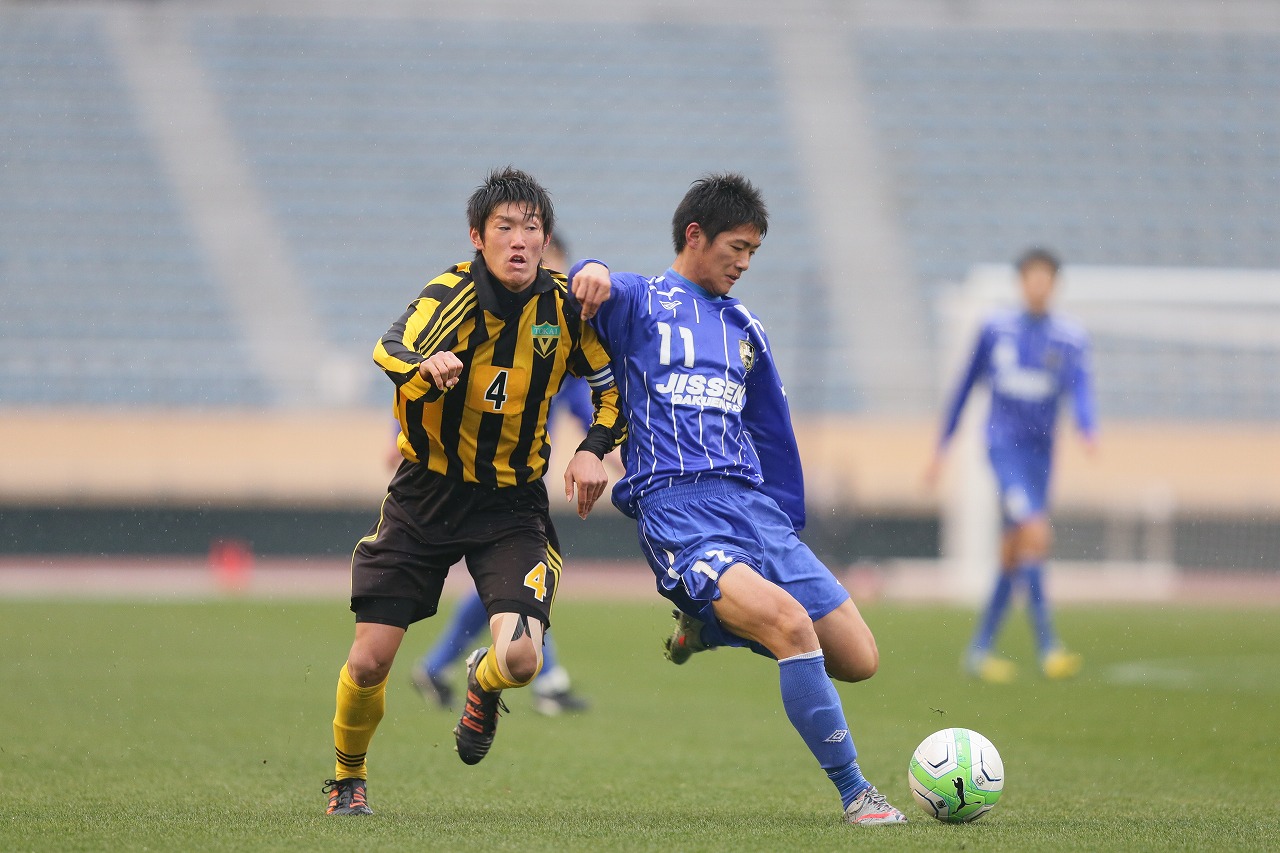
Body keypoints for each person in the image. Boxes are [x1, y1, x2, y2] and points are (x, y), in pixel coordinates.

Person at [567, 174, 908, 827]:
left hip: (753, 511)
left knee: (859, 659)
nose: (745, 262)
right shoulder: (641, 301)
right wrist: (592, 270)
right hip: (679, 509)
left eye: (754, 250)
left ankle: (710, 625)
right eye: (738, 246)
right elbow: (591, 280)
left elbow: (771, 428)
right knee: (790, 627)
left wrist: (784, 524)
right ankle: (857, 792)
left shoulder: (744, 325)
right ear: (695, 235)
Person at [324, 167, 625, 816]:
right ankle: (349, 776)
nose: (519, 240)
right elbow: (389, 346)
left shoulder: (567, 309)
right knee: (370, 660)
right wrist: (422, 366)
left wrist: (594, 449)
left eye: (531, 228)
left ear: (546, 239)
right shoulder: (450, 294)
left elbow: (609, 389)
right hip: (424, 496)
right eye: (505, 228)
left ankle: (482, 684)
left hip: (511, 506)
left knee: (519, 656)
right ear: (477, 237)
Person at [410, 233, 593, 717]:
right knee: (517, 582)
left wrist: (603, 448)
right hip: (463, 476)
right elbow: (426, 368)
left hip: (519, 479)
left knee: (512, 582)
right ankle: (544, 679)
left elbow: (580, 398)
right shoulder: (477, 311)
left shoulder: (558, 326)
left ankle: (441, 667)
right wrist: (398, 434)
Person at [925, 246, 1098, 684]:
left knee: (1015, 552)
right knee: (1035, 533)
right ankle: (1048, 647)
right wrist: (941, 446)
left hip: (1042, 456)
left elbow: (1081, 389)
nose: (1038, 287)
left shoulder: (1069, 338)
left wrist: (1086, 425)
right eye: (1031, 278)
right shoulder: (995, 329)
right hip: (1003, 449)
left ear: (1055, 285)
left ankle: (980, 649)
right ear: (1021, 282)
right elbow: (964, 386)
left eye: (1046, 280)